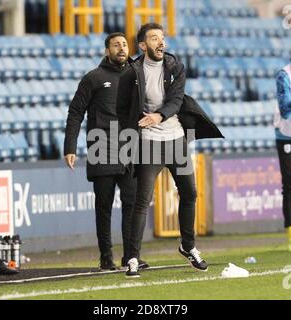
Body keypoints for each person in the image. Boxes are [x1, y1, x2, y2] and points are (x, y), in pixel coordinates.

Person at [117, 23, 211, 278]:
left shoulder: (175, 67)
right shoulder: (131, 72)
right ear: (143, 45)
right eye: (154, 38)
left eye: (162, 38)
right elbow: (122, 107)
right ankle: (133, 257)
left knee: (190, 192)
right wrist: (131, 132)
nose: (161, 42)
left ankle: (188, 246)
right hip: (148, 140)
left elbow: (177, 100)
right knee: (142, 201)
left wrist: (159, 115)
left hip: (176, 138)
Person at [64, 33, 149, 270]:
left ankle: (131, 256)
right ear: (106, 51)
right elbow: (75, 112)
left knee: (132, 203)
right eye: (116, 45)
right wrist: (70, 146)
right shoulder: (93, 78)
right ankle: (106, 257)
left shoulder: (137, 75)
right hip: (101, 146)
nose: (122, 48)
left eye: (124, 44)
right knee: (104, 205)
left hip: (130, 147)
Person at [275, 63, 291, 252]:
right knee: (289, 185)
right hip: (287, 135)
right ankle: (290, 236)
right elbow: (285, 108)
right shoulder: (284, 75)